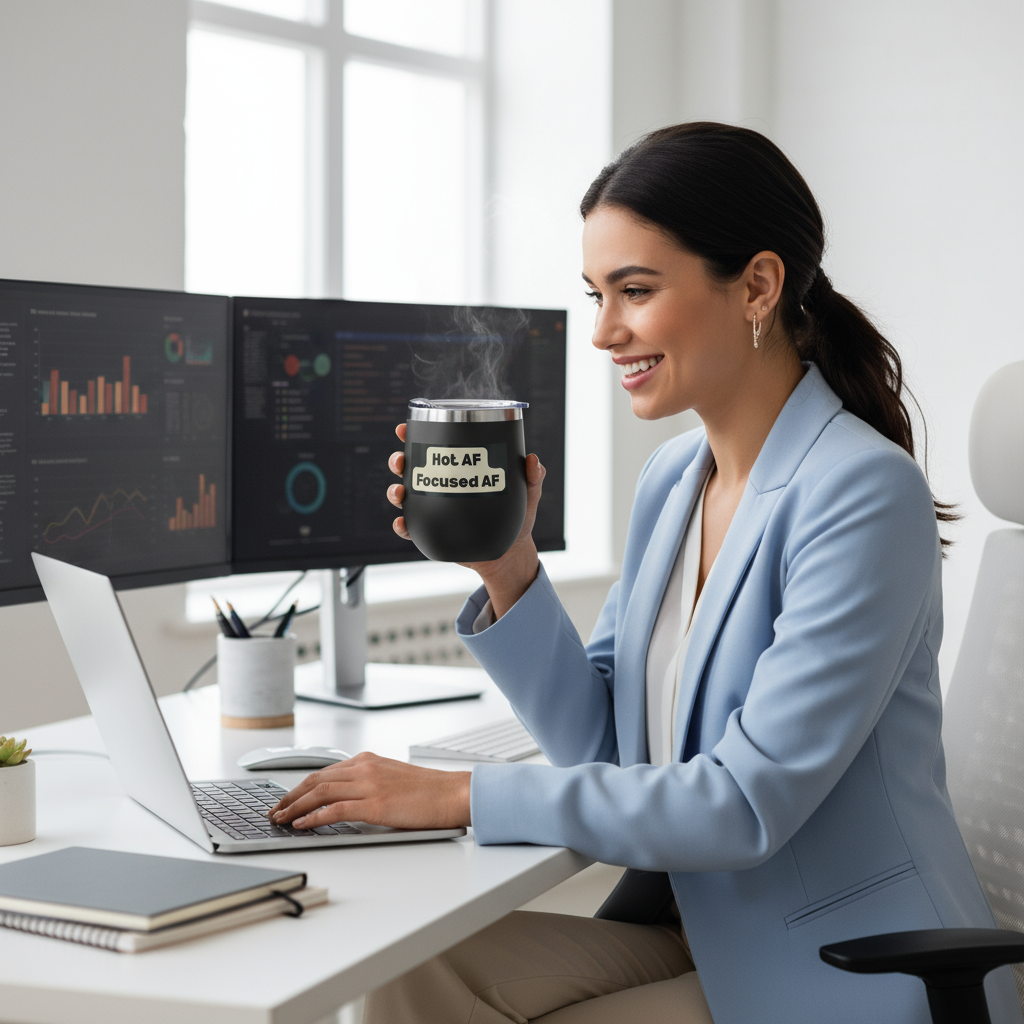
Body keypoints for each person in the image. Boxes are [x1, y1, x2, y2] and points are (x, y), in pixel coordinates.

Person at [268, 123, 1020, 1023]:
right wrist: (509, 569)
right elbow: (606, 753)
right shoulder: (672, 480)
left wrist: (457, 795)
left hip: (848, 964)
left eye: (635, 291)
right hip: (703, 925)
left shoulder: (861, 494)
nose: (603, 332)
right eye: (595, 295)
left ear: (758, 285)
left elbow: (743, 803)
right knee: (406, 966)